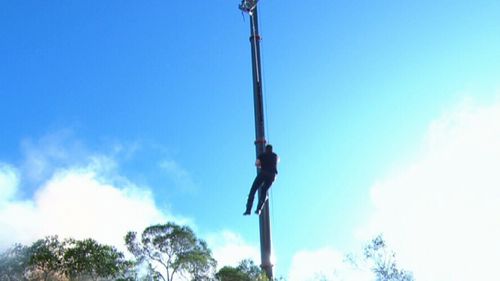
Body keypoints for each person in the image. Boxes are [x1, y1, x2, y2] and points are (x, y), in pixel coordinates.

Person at [244, 144, 279, 215]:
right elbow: (278, 161)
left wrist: (262, 164)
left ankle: (248, 209)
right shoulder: (275, 156)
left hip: (263, 173)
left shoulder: (262, 155)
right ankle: (259, 209)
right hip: (272, 175)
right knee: (264, 190)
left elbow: (257, 164)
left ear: (266, 149)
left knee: (253, 189)